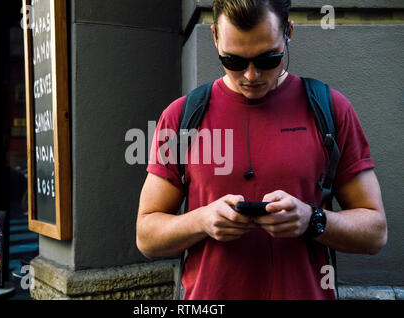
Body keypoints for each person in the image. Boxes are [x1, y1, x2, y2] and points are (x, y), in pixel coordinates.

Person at [136, 0, 387, 300]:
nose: (251, 76)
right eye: (234, 61)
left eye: (268, 59)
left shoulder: (331, 109)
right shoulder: (181, 117)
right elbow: (146, 236)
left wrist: (311, 219)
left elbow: (375, 233)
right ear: (215, 37)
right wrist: (201, 220)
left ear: (288, 32)